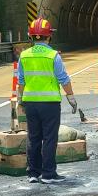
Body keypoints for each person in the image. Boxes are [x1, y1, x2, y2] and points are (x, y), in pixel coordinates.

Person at [17, 18, 79, 184]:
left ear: (31, 37)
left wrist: (20, 100)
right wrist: (71, 98)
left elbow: (21, 81)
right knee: (49, 138)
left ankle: (33, 173)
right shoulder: (53, 56)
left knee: (33, 137)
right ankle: (49, 174)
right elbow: (63, 79)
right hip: (50, 104)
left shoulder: (24, 56)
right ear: (48, 37)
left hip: (30, 103)